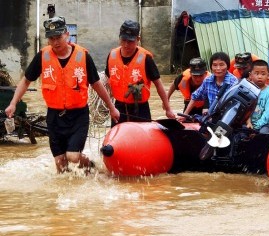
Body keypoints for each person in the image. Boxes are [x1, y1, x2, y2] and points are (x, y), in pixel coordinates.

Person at [5, 16, 120, 173]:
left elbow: (97, 84)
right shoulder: (43, 56)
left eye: (58, 37)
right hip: (54, 116)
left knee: (72, 156)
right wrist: (13, 103)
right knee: (61, 164)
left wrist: (111, 107)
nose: (55, 42)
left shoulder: (83, 56)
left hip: (78, 116)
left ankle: (91, 167)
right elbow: (26, 81)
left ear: (67, 34)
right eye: (51, 38)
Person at [105, 20, 175, 127]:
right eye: (123, 40)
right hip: (119, 108)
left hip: (140, 109)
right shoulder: (112, 56)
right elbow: (107, 81)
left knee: (144, 140)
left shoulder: (146, 58)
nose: (126, 45)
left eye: (130, 41)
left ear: (138, 39)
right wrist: (110, 107)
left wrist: (168, 109)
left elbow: (159, 84)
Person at [181, 52, 238, 118]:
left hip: (227, 118)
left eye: (221, 65)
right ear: (211, 66)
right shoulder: (208, 81)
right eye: (215, 65)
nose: (218, 68)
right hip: (211, 118)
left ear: (227, 66)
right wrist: (185, 115)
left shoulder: (233, 82)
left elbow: (237, 105)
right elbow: (195, 96)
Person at [246, 60, 269, 133]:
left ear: (268, 76)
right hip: (250, 123)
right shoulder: (248, 90)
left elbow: (267, 114)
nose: (259, 77)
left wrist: (256, 127)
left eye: (263, 74)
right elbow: (246, 110)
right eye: (256, 73)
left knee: (262, 133)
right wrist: (248, 122)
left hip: (266, 124)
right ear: (250, 75)